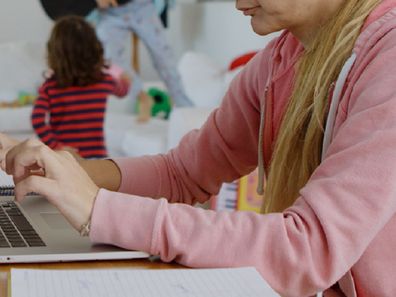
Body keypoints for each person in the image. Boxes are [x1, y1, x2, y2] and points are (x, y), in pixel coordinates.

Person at [1, 0, 395, 295]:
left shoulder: (388, 61)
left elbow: (308, 248)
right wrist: (67, 173)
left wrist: (98, 209)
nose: (238, 2)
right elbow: (182, 173)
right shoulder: (276, 63)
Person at [31, 15, 130, 159]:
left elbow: (37, 120)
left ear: (55, 53)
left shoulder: (50, 87)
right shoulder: (104, 81)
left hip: (65, 159)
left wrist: (56, 146)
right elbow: (123, 91)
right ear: (94, 49)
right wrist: (125, 80)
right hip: (97, 159)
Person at [94, 0, 194, 112]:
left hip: (141, 7)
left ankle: (184, 105)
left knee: (163, 56)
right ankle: (141, 96)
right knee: (107, 58)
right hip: (110, 13)